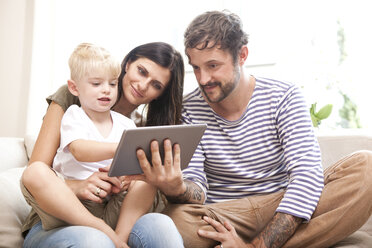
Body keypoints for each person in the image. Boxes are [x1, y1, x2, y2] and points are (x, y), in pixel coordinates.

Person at [132, 10, 372, 248]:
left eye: (213, 65)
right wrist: (178, 188)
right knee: (168, 223)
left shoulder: (283, 96)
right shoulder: (188, 109)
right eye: (196, 67)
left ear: (242, 55)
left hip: (281, 206)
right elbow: (197, 188)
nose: (204, 79)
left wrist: (259, 245)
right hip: (222, 216)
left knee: (366, 167)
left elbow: (306, 177)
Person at [21, 42, 185, 248]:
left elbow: (139, 186)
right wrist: (79, 186)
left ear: (160, 94)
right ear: (128, 64)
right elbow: (39, 170)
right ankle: (111, 236)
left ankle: (119, 239)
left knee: (160, 224)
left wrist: (129, 179)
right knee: (95, 239)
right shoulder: (74, 103)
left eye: (156, 85)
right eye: (141, 71)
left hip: (115, 210)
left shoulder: (135, 127)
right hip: (60, 216)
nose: (143, 85)